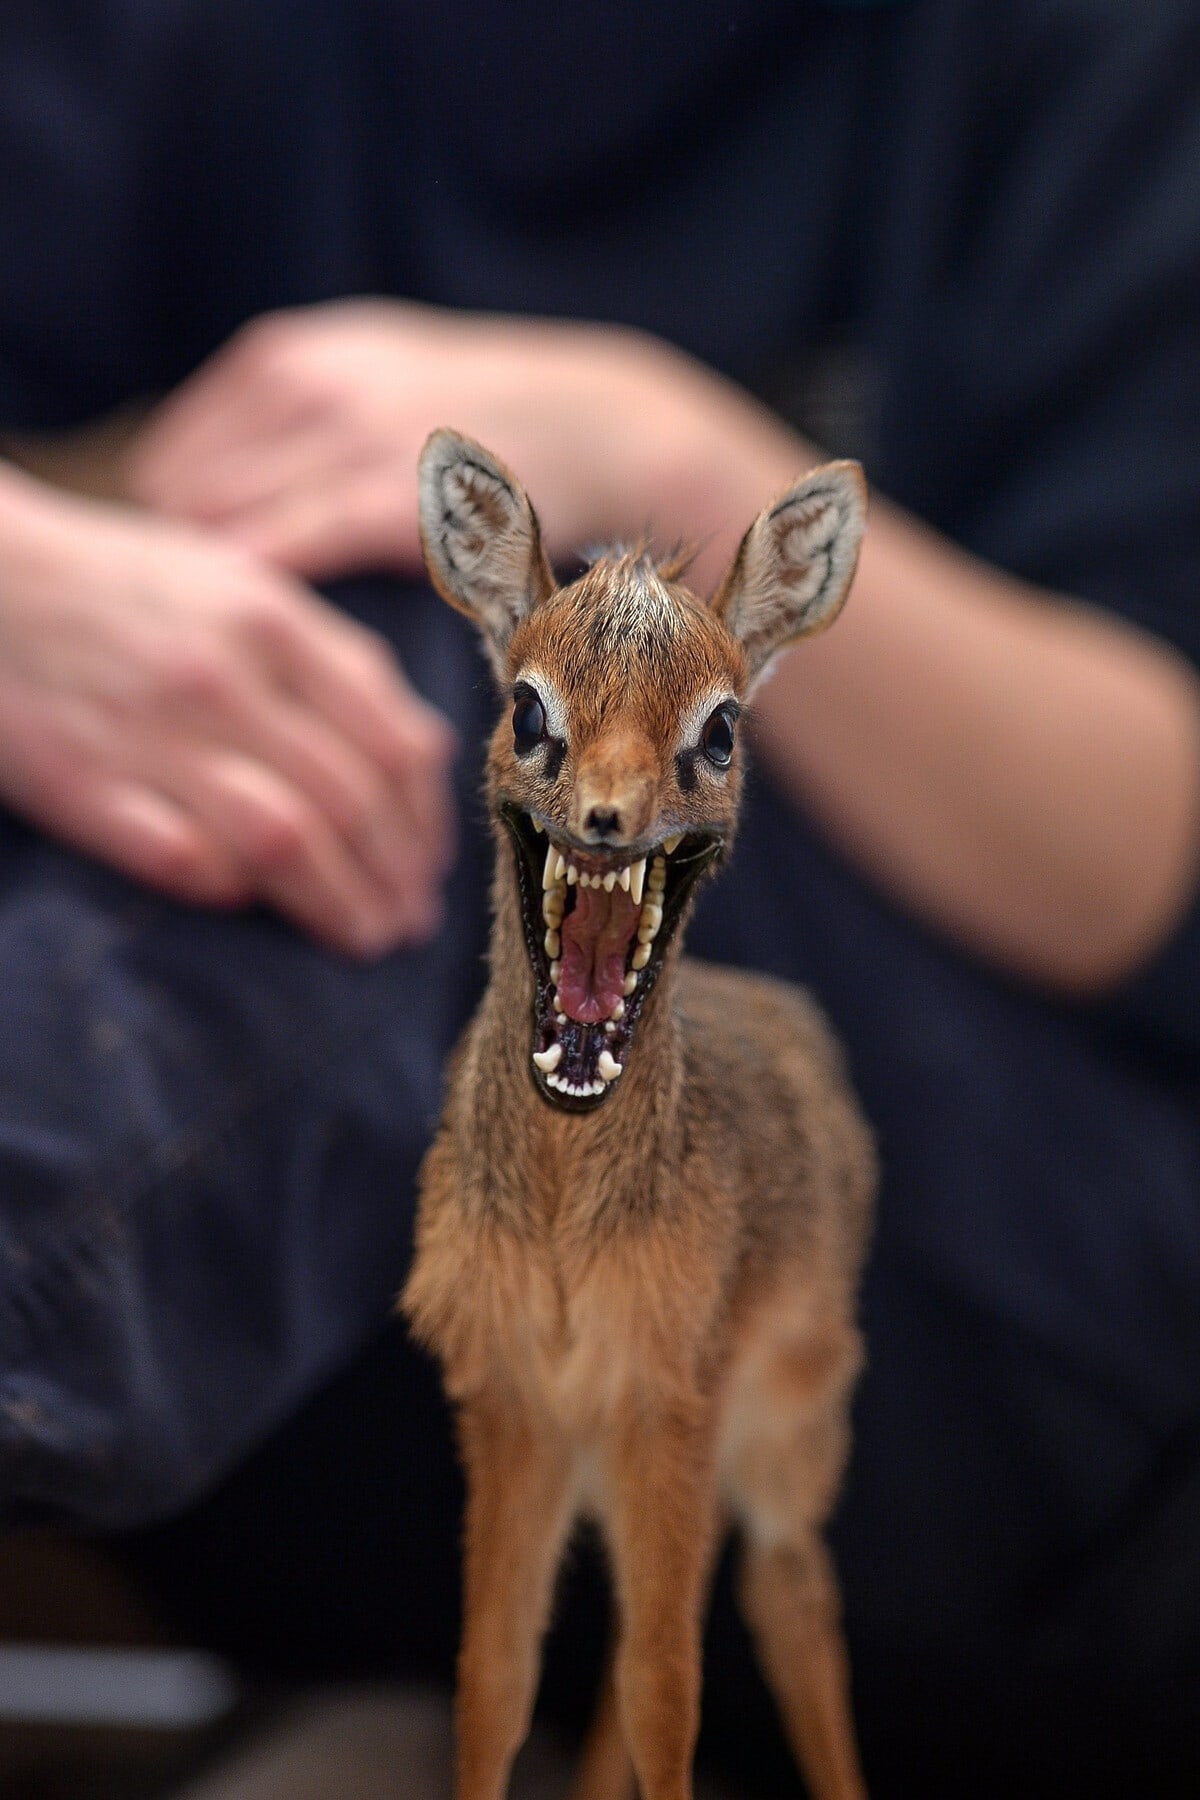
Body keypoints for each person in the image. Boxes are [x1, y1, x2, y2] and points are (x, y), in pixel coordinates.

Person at [1, 2, 1199, 1793]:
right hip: (316, 1375)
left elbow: (1139, 859)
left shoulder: (1079, 63)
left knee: (488, 679)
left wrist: (668, 455)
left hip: (950, 1347)